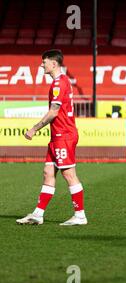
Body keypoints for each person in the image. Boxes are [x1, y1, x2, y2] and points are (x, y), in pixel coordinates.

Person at [16, 49, 87, 226]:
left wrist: (34, 128)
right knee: (48, 172)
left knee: (69, 174)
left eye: (44, 62)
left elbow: (53, 112)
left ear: (53, 63)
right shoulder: (63, 81)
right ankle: (38, 214)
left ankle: (80, 216)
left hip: (64, 135)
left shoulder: (58, 84)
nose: (42, 65)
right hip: (58, 136)